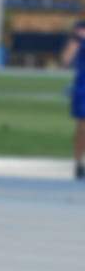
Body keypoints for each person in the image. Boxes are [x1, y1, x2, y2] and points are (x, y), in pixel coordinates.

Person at [62, 18, 85, 180]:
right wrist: (77, 40)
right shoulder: (80, 30)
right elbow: (66, 59)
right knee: (82, 126)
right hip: (83, 85)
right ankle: (78, 163)